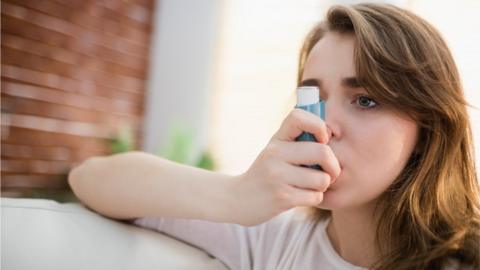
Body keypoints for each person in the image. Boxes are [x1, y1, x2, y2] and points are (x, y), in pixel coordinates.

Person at [69, 3, 479, 269]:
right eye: (312, 97)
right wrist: (235, 196)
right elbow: (89, 178)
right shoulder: (272, 241)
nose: (321, 125)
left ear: (427, 130)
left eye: (366, 100)